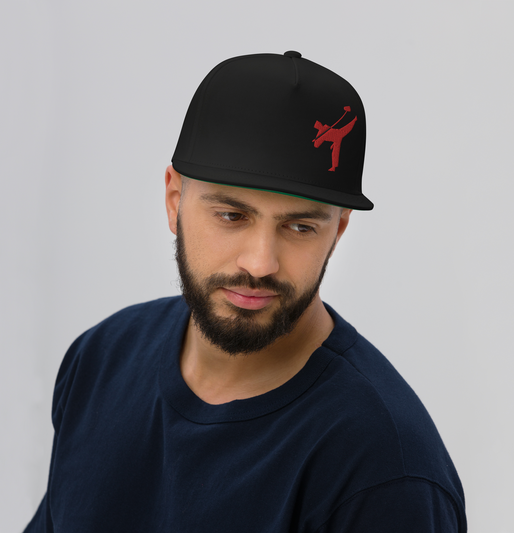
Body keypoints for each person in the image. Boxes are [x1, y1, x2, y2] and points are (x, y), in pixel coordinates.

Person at [24, 51, 467, 532]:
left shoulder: (385, 471)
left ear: (337, 231)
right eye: (232, 216)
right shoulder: (101, 360)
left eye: (299, 227)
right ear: (175, 201)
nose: (260, 263)